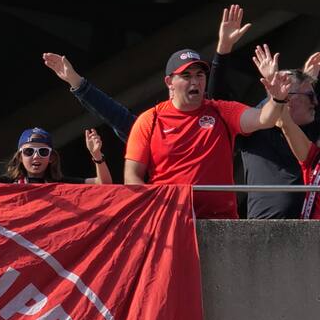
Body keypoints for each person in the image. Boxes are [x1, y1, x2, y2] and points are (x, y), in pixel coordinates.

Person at [124, 46, 294, 219]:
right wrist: (159, 209)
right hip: (169, 221)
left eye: (200, 75)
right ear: (169, 82)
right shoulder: (150, 119)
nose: (195, 81)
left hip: (219, 222)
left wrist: (277, 98)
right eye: (186, 76)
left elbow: (264, 119)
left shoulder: (221, 111)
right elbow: (131, 176)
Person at [206, 4, 320, 218]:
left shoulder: (309, 128)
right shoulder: (257, 126)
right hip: (262, 233)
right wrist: (224, 48)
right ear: (288, 99)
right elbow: (217, 104)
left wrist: (307, 77)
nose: (315, 102)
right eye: (310, 96)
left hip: (307, 232)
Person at [0, 120, 112, 185]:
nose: (36, 156)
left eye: (43, 151)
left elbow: (104, 184)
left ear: (51, 158)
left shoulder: (61, 185)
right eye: (29, 151)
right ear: (19, 157)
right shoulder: (7, 185)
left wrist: (97, 155)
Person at [274, 72, 320, 219]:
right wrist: (276, 91)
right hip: (309, 238)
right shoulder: (313, 157)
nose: (316, 103)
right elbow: (284, 122)